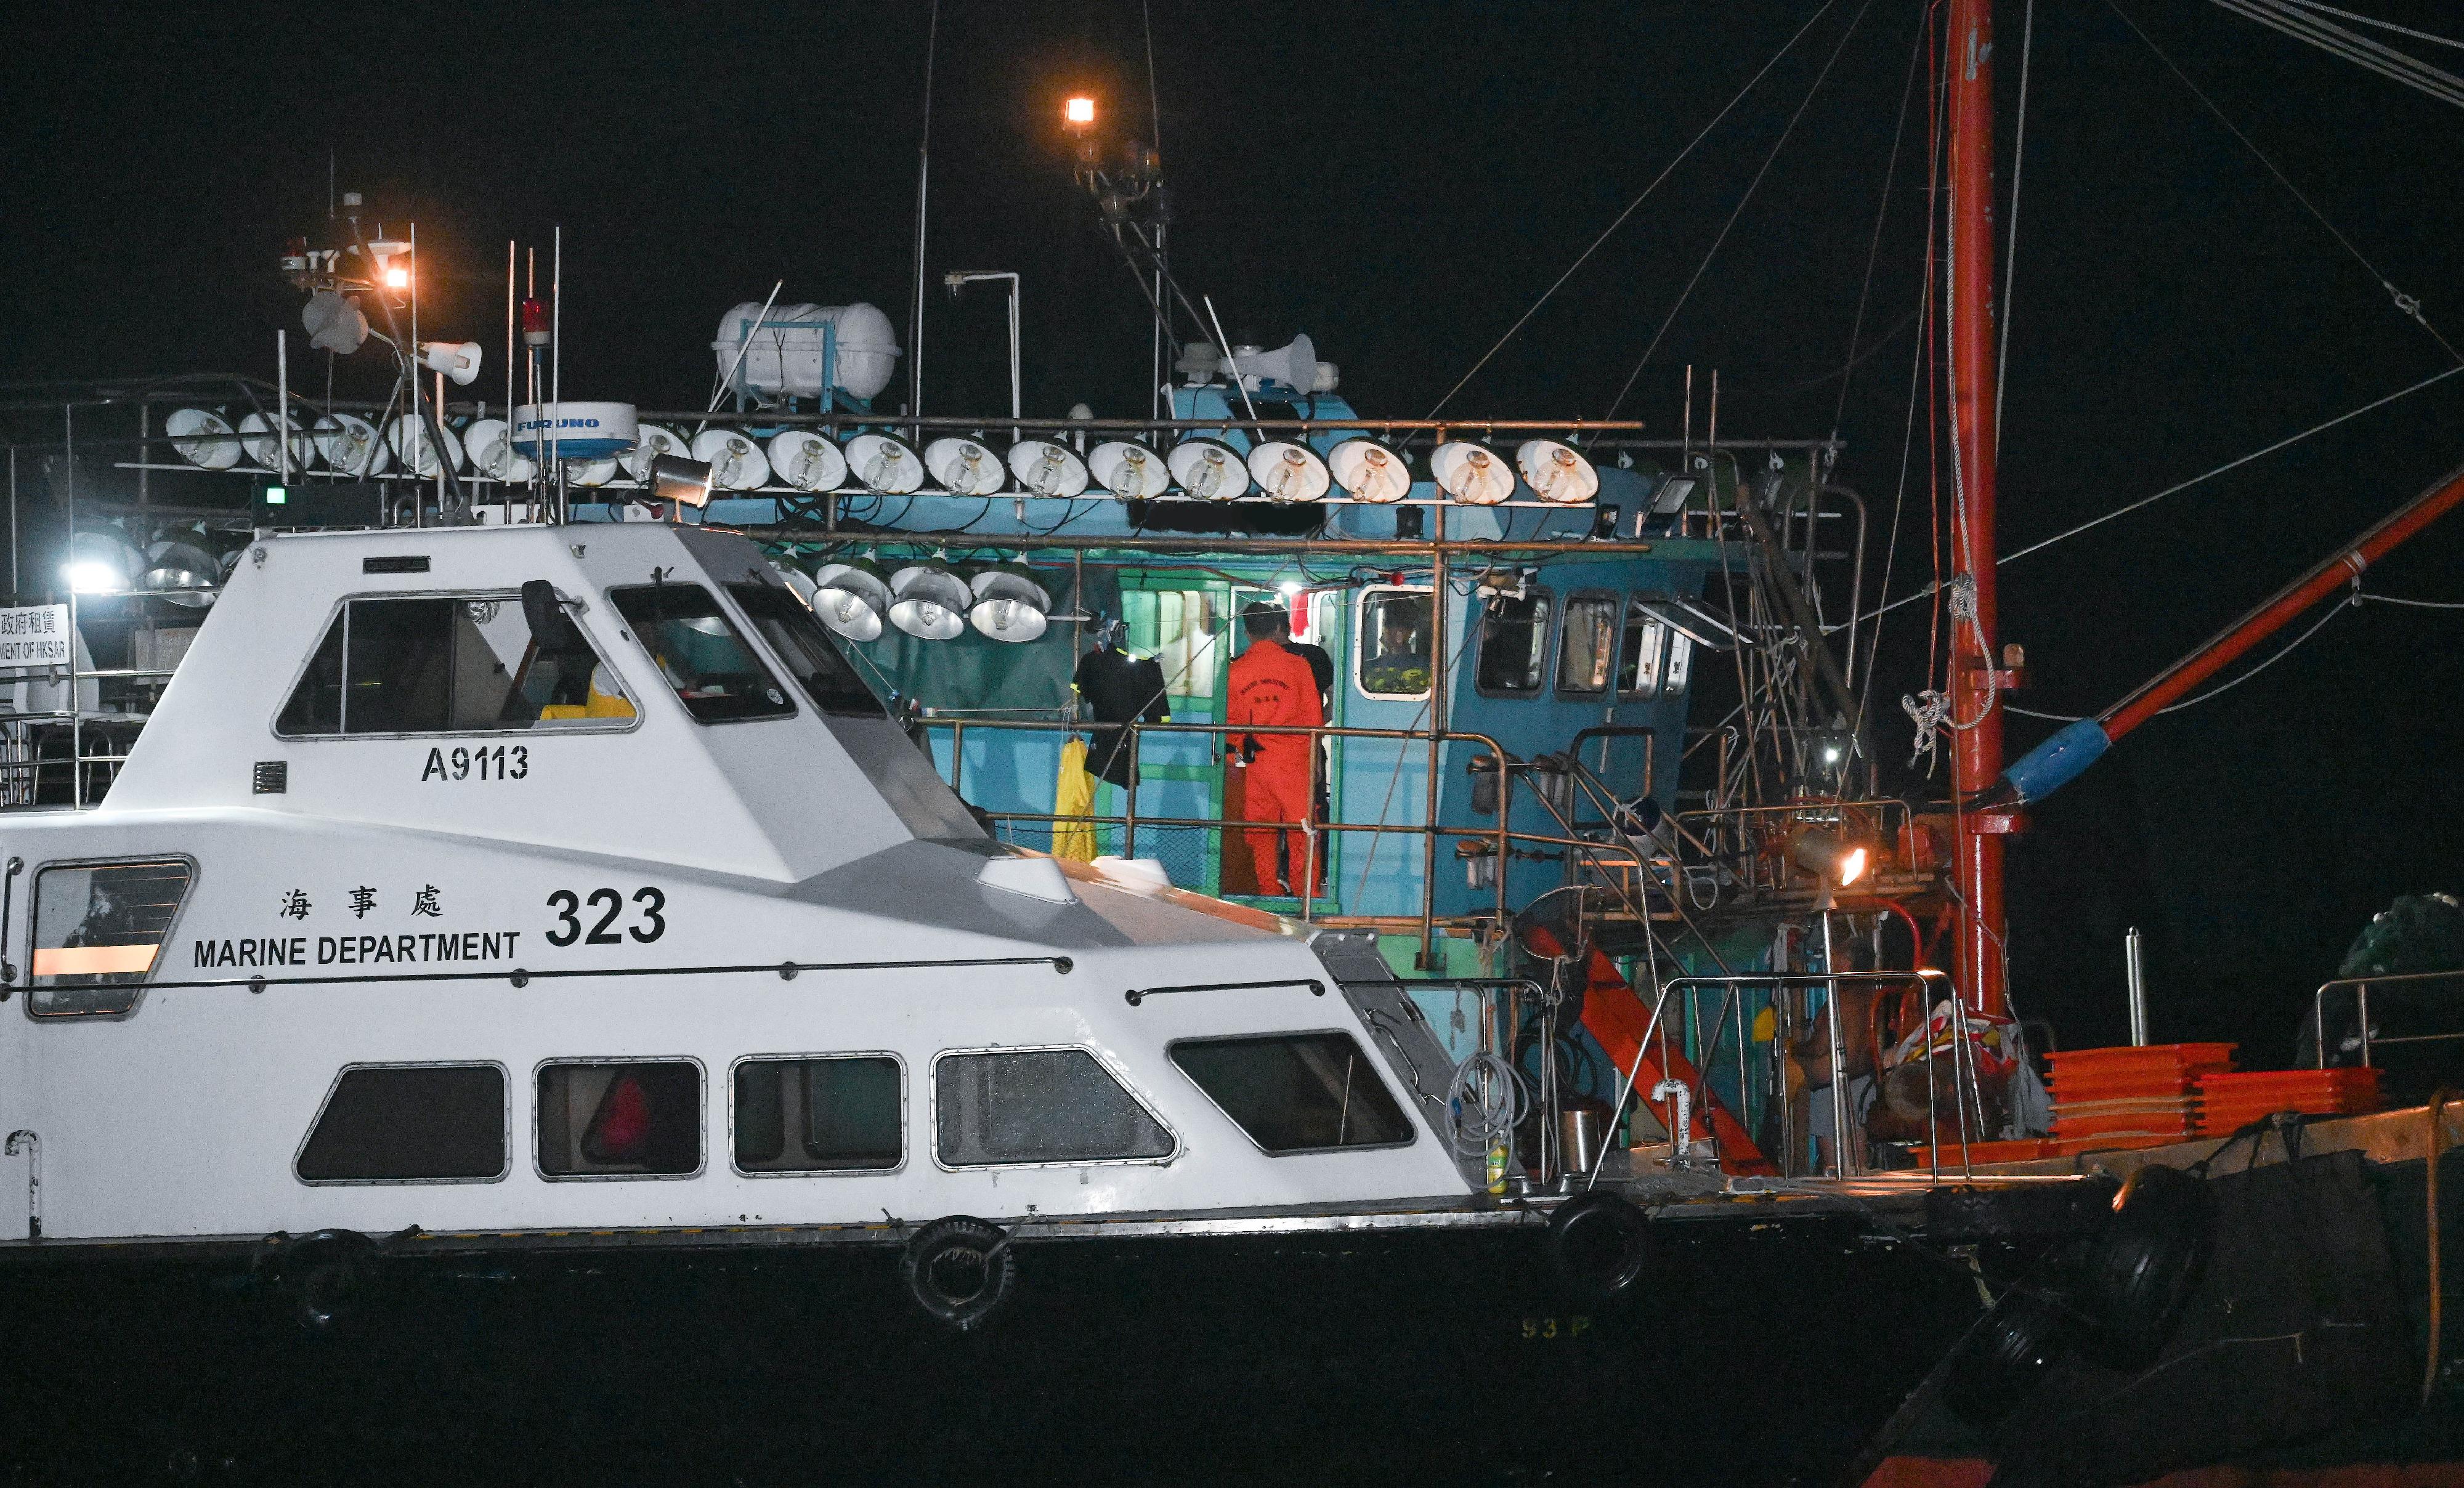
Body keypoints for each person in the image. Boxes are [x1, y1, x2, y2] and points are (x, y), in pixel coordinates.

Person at [1226, 600, 1324, 897]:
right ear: (1279, 628)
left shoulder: (1237, 670)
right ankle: (1306, 891)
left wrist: (1235, 761)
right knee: (1303, 829)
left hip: (1258, 763)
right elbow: (1314, 718)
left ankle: (1269, 891)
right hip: (1296, 761)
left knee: (1261, 829)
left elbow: (1234, 725)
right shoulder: (1299, 666)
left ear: (1247, 633)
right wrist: (1315, 760)